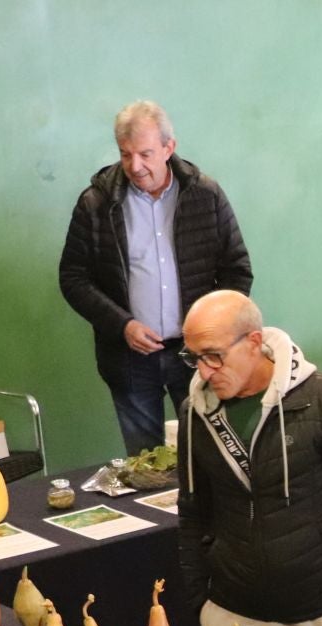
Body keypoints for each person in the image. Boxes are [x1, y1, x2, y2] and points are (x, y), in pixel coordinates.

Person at [178, 290, 322, 626]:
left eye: (214, 355)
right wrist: (202, 601)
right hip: (232, 617)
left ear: (254, 342)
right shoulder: (194, 413)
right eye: (194, 357)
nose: (204, 371)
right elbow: (192, 512)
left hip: (319, 616)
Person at [59, 101, 252, 454]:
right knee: (145, 465)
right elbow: (73, 278)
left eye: (146, 154)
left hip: (197, 357)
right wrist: (123, 325)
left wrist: (214, 335)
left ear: (169, 148)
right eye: (126, 154)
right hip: (129, 358)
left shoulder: (205, 196)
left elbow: (236, 269)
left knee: (211, 455)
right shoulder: (96, 203)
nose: (136, 166)